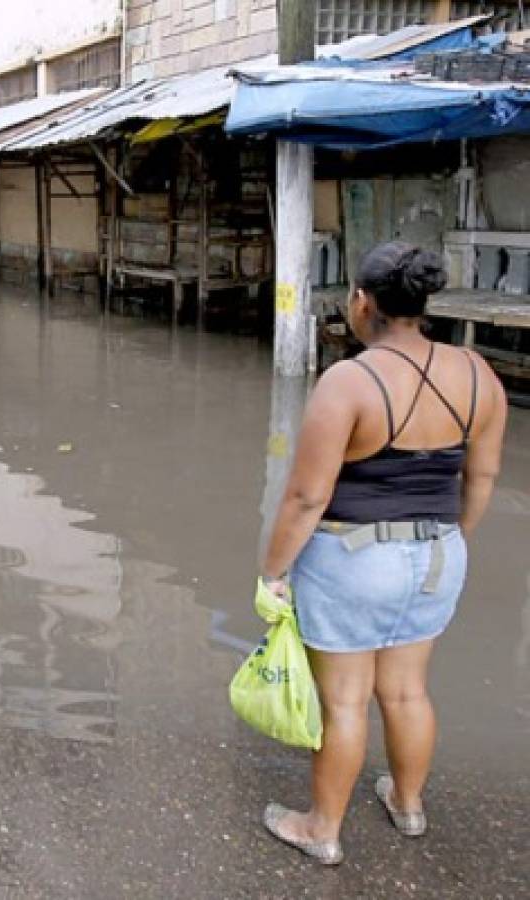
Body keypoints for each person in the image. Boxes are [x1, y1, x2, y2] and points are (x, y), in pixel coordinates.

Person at [259, 242, 507, 865]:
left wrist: (272, 571)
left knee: (345, 701)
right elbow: (480, 480)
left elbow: (307, 495)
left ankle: (322, 828)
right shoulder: (478, 373)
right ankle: (407, 803)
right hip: (438, 555)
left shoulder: (350, 380)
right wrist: (452, 541)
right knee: (406, 692)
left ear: (363, 303)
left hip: (353, 560)